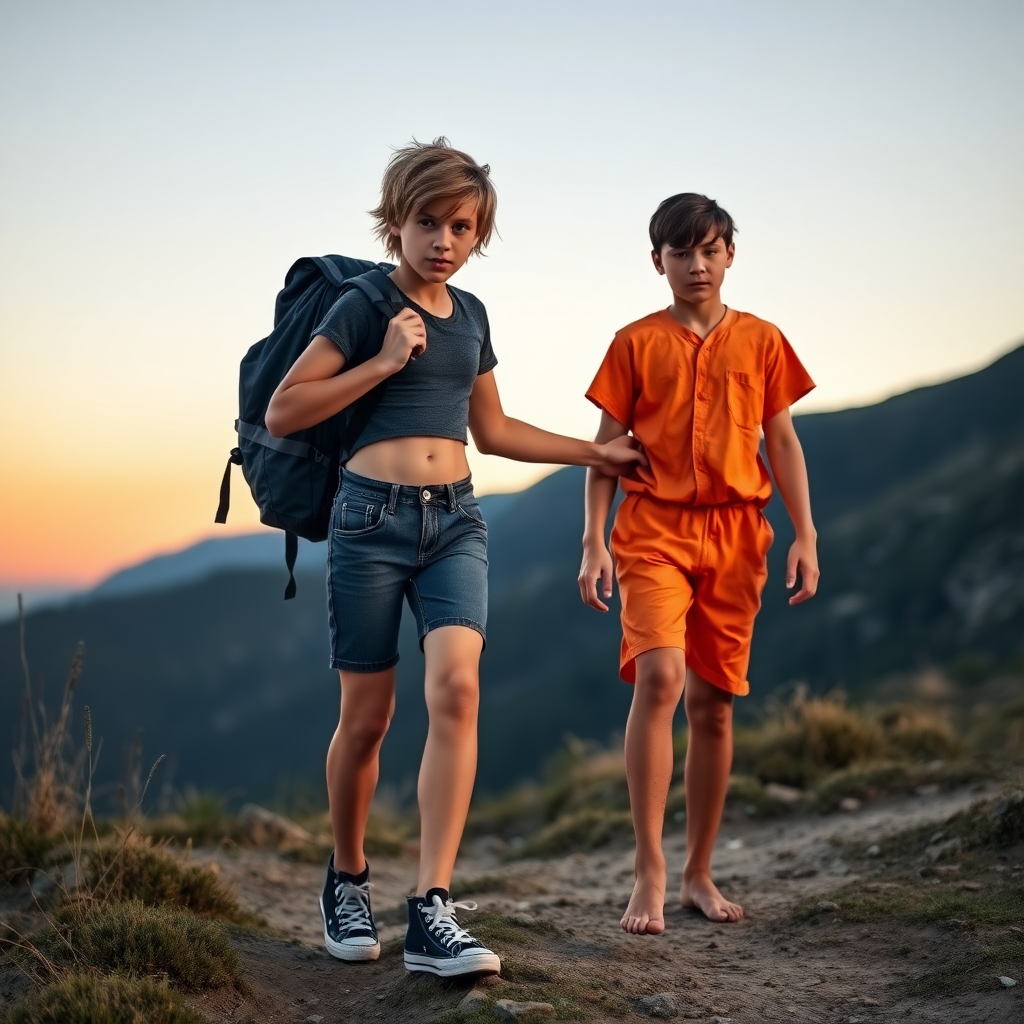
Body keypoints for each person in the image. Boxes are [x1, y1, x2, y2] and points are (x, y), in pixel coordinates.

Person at [264, 138, 644, 976]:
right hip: (369, 521)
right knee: (367, 720)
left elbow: (494, 431)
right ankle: (349, 878)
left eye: (461, 226)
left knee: (458, 689)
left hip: (457, 523)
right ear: (394, 223)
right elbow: (287, 409)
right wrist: (382, 362)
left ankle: (432, 905)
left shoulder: (471, 316)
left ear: (479, 236)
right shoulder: (364, 306)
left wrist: (597, 456)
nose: (443, 239)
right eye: (427, 221)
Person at [578, 193, 819, 935]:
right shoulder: (633, 344)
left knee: (714, 704)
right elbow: (604, 453)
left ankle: (697, 873)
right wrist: (593, 540)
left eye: (710, 249)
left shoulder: (764, 340)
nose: (697, 264)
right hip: (652, 530)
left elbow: (781, 442)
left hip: (740, 535)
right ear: (659, 262)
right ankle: (649, 871)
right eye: (681, 253)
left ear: (730, 254)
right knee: (661, 676)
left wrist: (805, 532)